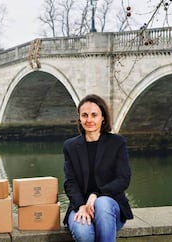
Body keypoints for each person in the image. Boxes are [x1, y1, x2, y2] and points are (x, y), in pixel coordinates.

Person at [62, 94, 133, 242]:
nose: (89, 120)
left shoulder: (117, 143)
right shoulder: (70, 146)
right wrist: (81, 205)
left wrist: (96, 194)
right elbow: (70, 182)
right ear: (79, 118)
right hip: (80, 207)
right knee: (84, 234)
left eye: (94, 115)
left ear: (103, 118)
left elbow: (123, 179)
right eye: (84, 115)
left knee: (102, 202)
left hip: (109, 209)